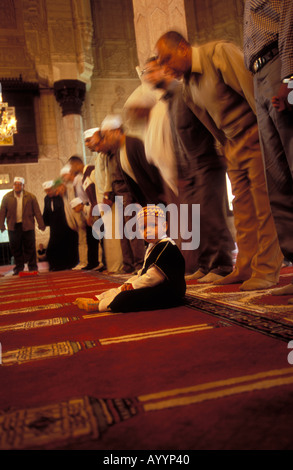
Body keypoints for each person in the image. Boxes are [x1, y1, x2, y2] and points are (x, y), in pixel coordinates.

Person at [155, 31, 284, 291]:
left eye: (168, 59)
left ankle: (267, 270)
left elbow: (252, 89)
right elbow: (209, 122)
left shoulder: (219, 54)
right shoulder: (188, 87)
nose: (166, 68)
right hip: (232, 145)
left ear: (183, 47)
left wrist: (267, 134)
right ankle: (245, 266)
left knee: (263, 205)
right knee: (243, 209)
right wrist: (225, 146)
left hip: (255, 135)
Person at [142, 57, 235, 280]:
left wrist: (221, 148)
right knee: (196, 220)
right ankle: (206, 265)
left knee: (212, 217)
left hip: (206, 162)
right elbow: (178, 140)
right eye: (146, 72)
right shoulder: (169, 100)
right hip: (189, 169)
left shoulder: (185, 91)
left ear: (166, 70)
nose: (148, 76)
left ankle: (222, 265)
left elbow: (208, 120)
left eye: (152, 70)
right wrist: (181, 172)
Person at [243, 1, 293, 303]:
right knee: (278, 181)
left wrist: (289, 79)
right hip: (259, 74)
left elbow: (290, 20)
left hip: (279, 66)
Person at [74, 204, 186, 313]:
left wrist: (134, 285)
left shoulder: (167, 247)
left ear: (164, 226)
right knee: (122, 288)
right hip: (154, 286)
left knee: (127, 296)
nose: (148, 231)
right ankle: (98, 299)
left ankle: (99, 305)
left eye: (153, 225)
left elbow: (153, 277)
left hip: (168, 293)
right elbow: (143, 272)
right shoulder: (153, 246)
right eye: (144, 227)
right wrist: (129, 283)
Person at [0, 176, 45, 275]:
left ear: (23, 186)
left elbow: (37, 211)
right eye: (15, 184)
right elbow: (2, 212)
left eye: (19, 184)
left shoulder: (31, 197)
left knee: (30, 246)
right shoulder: (7, 197)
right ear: (13, 185)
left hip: (28, 225)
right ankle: (19, 268)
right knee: (15, 247)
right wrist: (1, 225)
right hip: (13, 226)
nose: (17, 186)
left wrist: (41, 224)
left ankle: (33, 267)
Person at [42, 180, 79, 271]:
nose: (48, 192)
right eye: (46, 191)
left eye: (49, 190)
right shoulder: (46, 198)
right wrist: (43, 223)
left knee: (68, 245)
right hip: (54, 226)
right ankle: (55, 266)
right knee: (52, 248)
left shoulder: (62, 196)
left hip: (65, 224)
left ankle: (69, 265)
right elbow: (46, 211)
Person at [70, 197, 101, 270]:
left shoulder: (88, 208)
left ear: (79, 205)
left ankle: (96, 263)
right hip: (92, 228)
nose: (74, 210)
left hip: (96, 227)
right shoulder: (83, 211)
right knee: (90, 245)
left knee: (94, 246)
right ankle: (91, 263)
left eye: (74, 208)